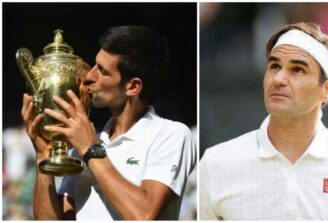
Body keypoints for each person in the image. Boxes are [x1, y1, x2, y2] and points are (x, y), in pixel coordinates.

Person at [199, 22, 328, 220]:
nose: (279, 79)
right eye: (274, 66)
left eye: (297, 70)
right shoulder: (215, 163)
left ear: (327, 89)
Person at [21, 25, 196, 220]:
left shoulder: (172, 135)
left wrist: (91, 149)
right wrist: (42, 155)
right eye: (94, 65)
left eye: (102, 71)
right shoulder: (85, 143)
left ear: (133, 86)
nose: (89, 76)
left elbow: (144, 214)